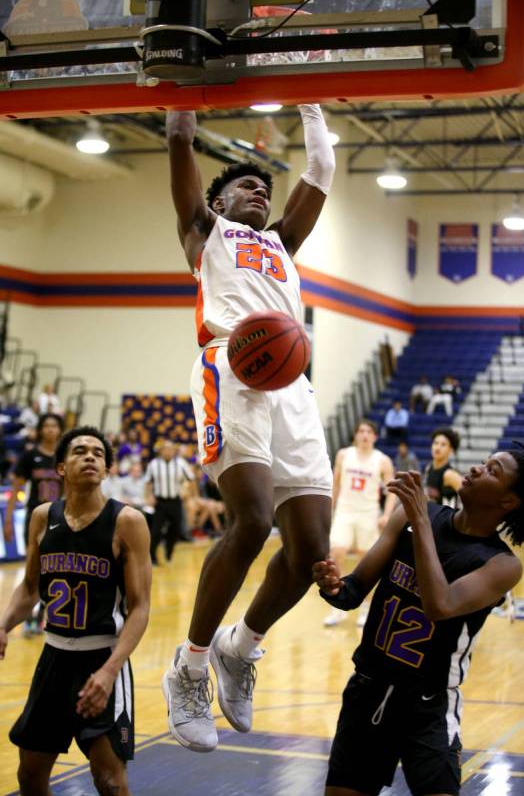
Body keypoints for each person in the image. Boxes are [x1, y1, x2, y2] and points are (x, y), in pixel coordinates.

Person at [163, 102, 335, 752]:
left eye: (264, 184)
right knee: (253, 519)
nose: (259, 188)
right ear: (216, 200)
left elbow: (321, 166)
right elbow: (179, 138)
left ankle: (242, 645)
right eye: (244, 183)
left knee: (308, 550)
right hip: (230, 367)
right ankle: (190, 663)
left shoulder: (283, 241)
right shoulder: (203, 231)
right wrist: (184, 95)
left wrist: (309, 103)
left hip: (291, 384)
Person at [313, 446, 524, 796]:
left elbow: (440, 605)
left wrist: (419, 522)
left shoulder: (502, 565)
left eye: (492, 471)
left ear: (508, 502)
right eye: (484, 461)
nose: (477, 469)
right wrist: (332, 584)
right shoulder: (416, 516)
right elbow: (353, 592)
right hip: (368, 688)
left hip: (428, 706)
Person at [0, 426, 151, 796]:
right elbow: (31, 588)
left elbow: (140, 608)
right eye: (80, 451)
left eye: (98, 454)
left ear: (107, 469)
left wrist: (109, 671)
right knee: (30, 777)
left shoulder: (126, 522)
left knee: (110, 781)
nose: (90, 457)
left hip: (102, 659)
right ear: (61, 468)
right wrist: (3, 625)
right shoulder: (41, 517)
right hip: (53, 659)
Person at [324, 419, 395, 628]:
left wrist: (387, 515)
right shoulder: (344, 455)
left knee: (367, 563)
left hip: (369, 514)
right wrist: (330, 509)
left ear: (375, 436)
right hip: (345, 511)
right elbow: (335, 485)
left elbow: (391, 491)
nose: (364, 435)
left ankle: (365, 608)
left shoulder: (382, 460)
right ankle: (336, 608)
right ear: (356, 435)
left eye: (369, 431)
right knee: (336, 554)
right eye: (361, 431)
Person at [5, 414, 64, 640]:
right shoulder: (30, 456)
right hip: (35, 519)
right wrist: (8, 520)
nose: (50, 430)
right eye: (46, 425)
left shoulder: (65, 456)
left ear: (59, 430)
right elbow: (15, 490)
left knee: (54, 570)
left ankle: (42, 616)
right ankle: (27, 616)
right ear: (40, 430)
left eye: (54, 426)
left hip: (59, 518)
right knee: (33, 569)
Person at [144, 440, 193, 564]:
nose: (168, 451)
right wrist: (149, 496)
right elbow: (148, 482)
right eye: (165, 449)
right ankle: (153, 557)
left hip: (175, 501)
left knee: (175, 529)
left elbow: (191, 479)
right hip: (160, 502)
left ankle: (169, 551)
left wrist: (185, 490)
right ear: (160, 451)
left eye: (171, 449)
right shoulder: (153, 464)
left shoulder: (181, 463)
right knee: (155, 530)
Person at [424, 427, 462, 508]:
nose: (438, 447)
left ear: (451, 450)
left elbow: (471, 496)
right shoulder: (428, 468)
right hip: (433, 518)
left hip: (447, 519)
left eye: (443, 444)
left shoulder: (449, 474)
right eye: (435, 443)